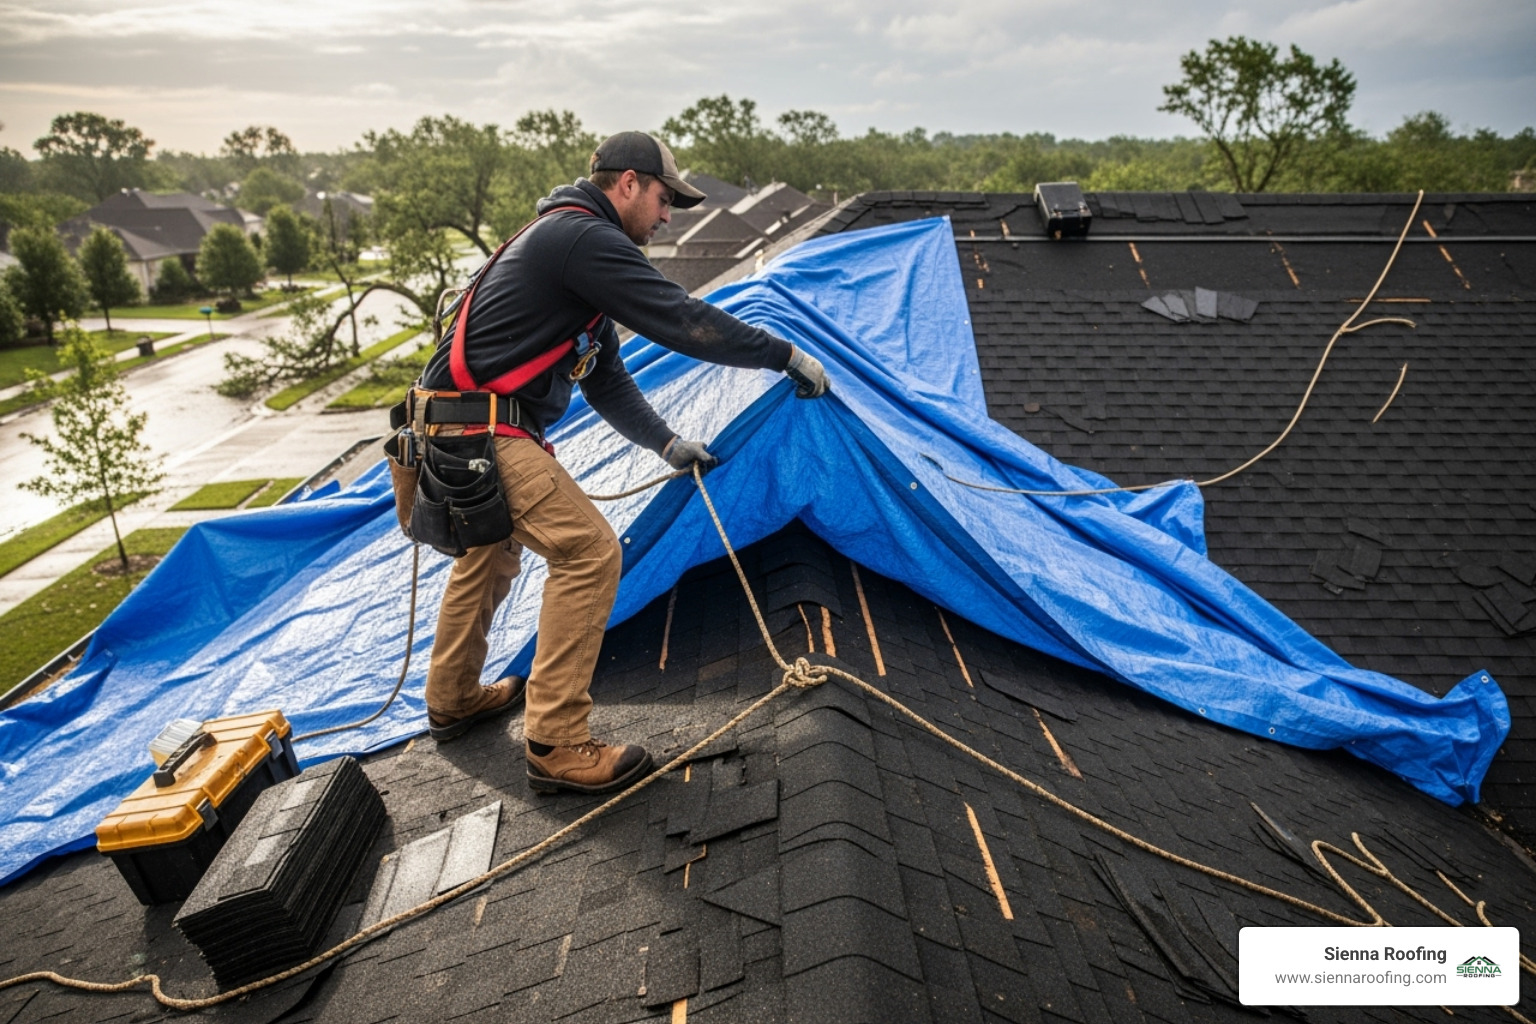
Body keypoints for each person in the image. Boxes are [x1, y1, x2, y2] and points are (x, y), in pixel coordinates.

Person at [413, 130, 830, 795]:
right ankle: (556, 742)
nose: (668, 218)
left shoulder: (570, 251)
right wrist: (783, 355)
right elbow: (681, 318)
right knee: (589, 552)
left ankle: (452, 697)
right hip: (478, 431)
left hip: (450, 428)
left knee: (490, 552)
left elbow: (605, 379)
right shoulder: (582, 238)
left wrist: (666, 443)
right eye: (665, 200)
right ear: (629, 183)